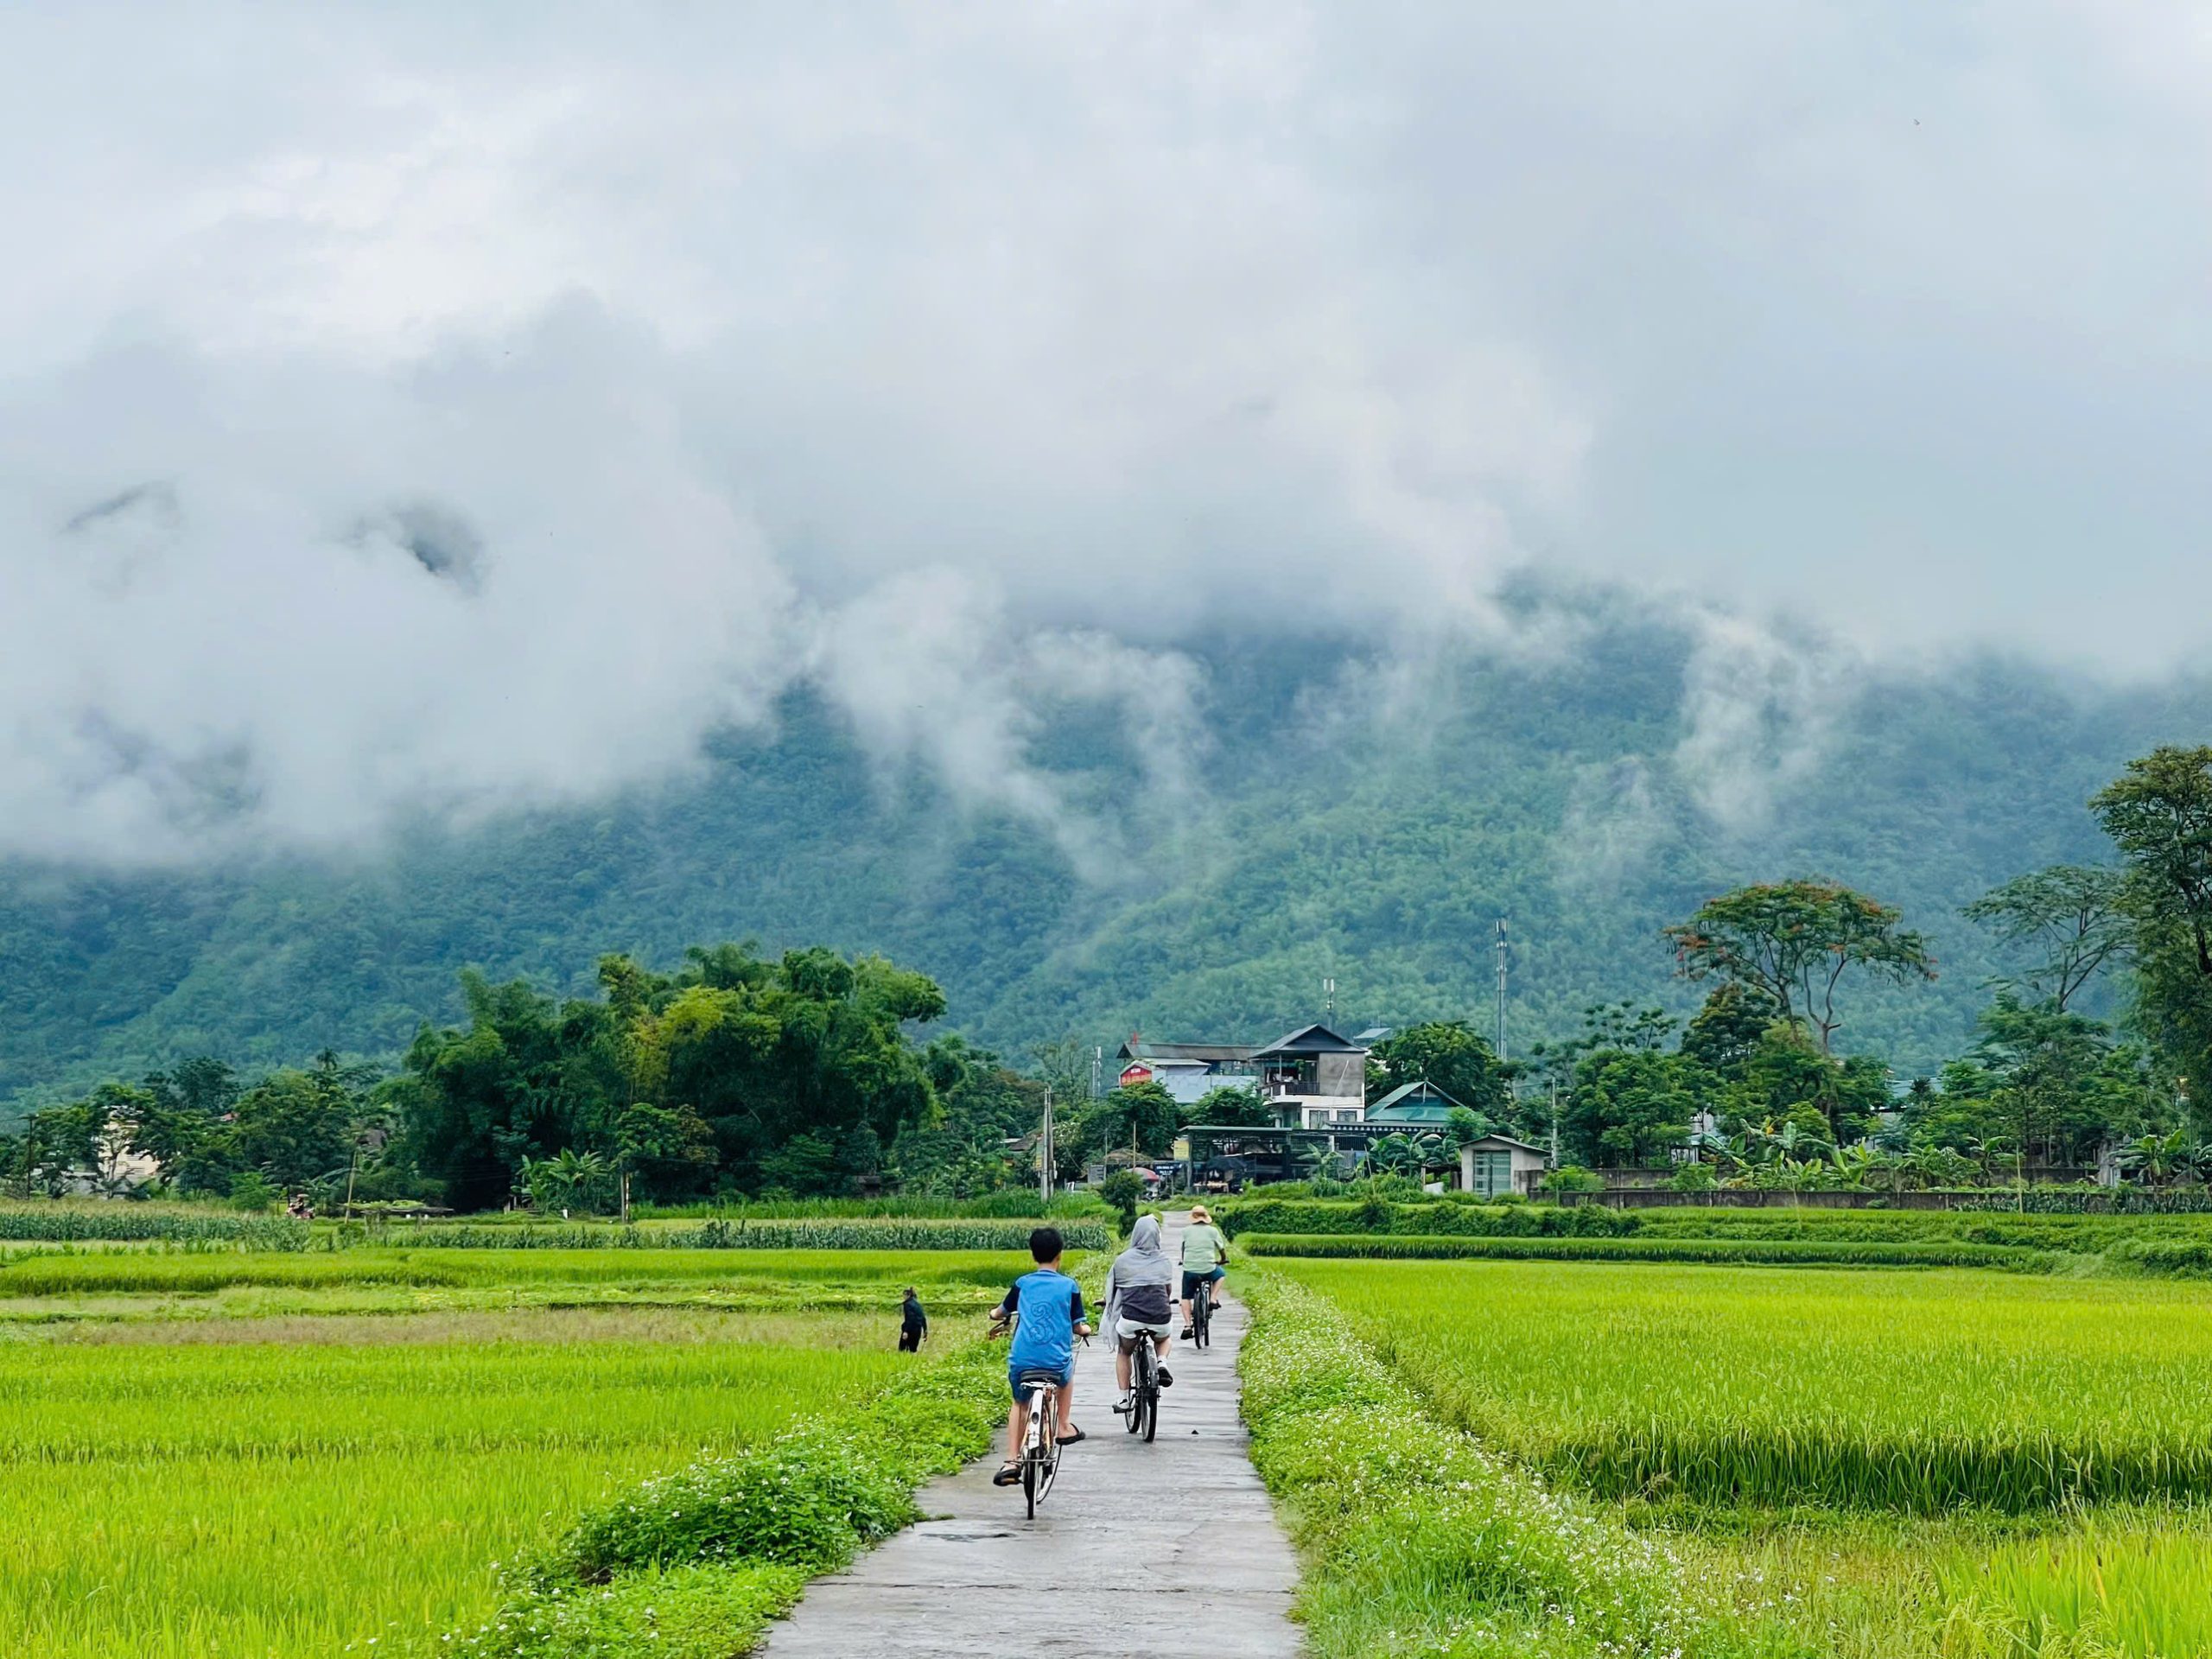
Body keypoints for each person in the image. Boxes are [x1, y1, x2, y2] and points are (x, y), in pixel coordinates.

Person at [988, 1226, 1091, 1486]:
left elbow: (1001, 1312)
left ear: (1033, 1255)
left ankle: (1011, 1461)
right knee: (1066, 1378)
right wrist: (1086, 1329)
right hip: (1055, 1362)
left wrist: (993, 1315)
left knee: (1019, 1404)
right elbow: (1079, 1325)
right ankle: (1063, 1427)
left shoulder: (1022, 1284)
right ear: (1060, 1255)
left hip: (1022, 1361)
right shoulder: (1070, 1286)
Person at [1100, 1213, 1176, 1414]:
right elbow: (1167, 1292)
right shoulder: (1164, 1261)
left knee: (1124, 1352)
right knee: (1164, 1338)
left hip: (1131, 1319)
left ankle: (1124, 1399)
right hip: (1160, 1318)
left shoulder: (1122, 1261)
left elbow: (1114, 1291)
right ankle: (1161, 1362)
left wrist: (1106, 1302)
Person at [1179, 1203, 1230, 1339]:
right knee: (1220, 1275)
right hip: (1208, 1268)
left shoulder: (1186, 1231)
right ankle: (1213, 1298)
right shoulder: (1213, 1231)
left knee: (1185, 1297)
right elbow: (1221, 1249)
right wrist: (1223, 1259)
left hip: (1189, 1269)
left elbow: (1184, 1248)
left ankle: (1187, 1325)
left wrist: (1184, 1260)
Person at [898, 1285, 928, 1352]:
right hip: (918, 1330)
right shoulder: (918, 1305)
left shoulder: (907, 1304)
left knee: (902, 1350)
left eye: (904, 1296)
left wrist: (906, 1331)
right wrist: (925, 1330)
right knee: (912, 1351)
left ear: (907, 1295)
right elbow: (923, 1318)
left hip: (910, 1330)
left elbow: (909, 1318)